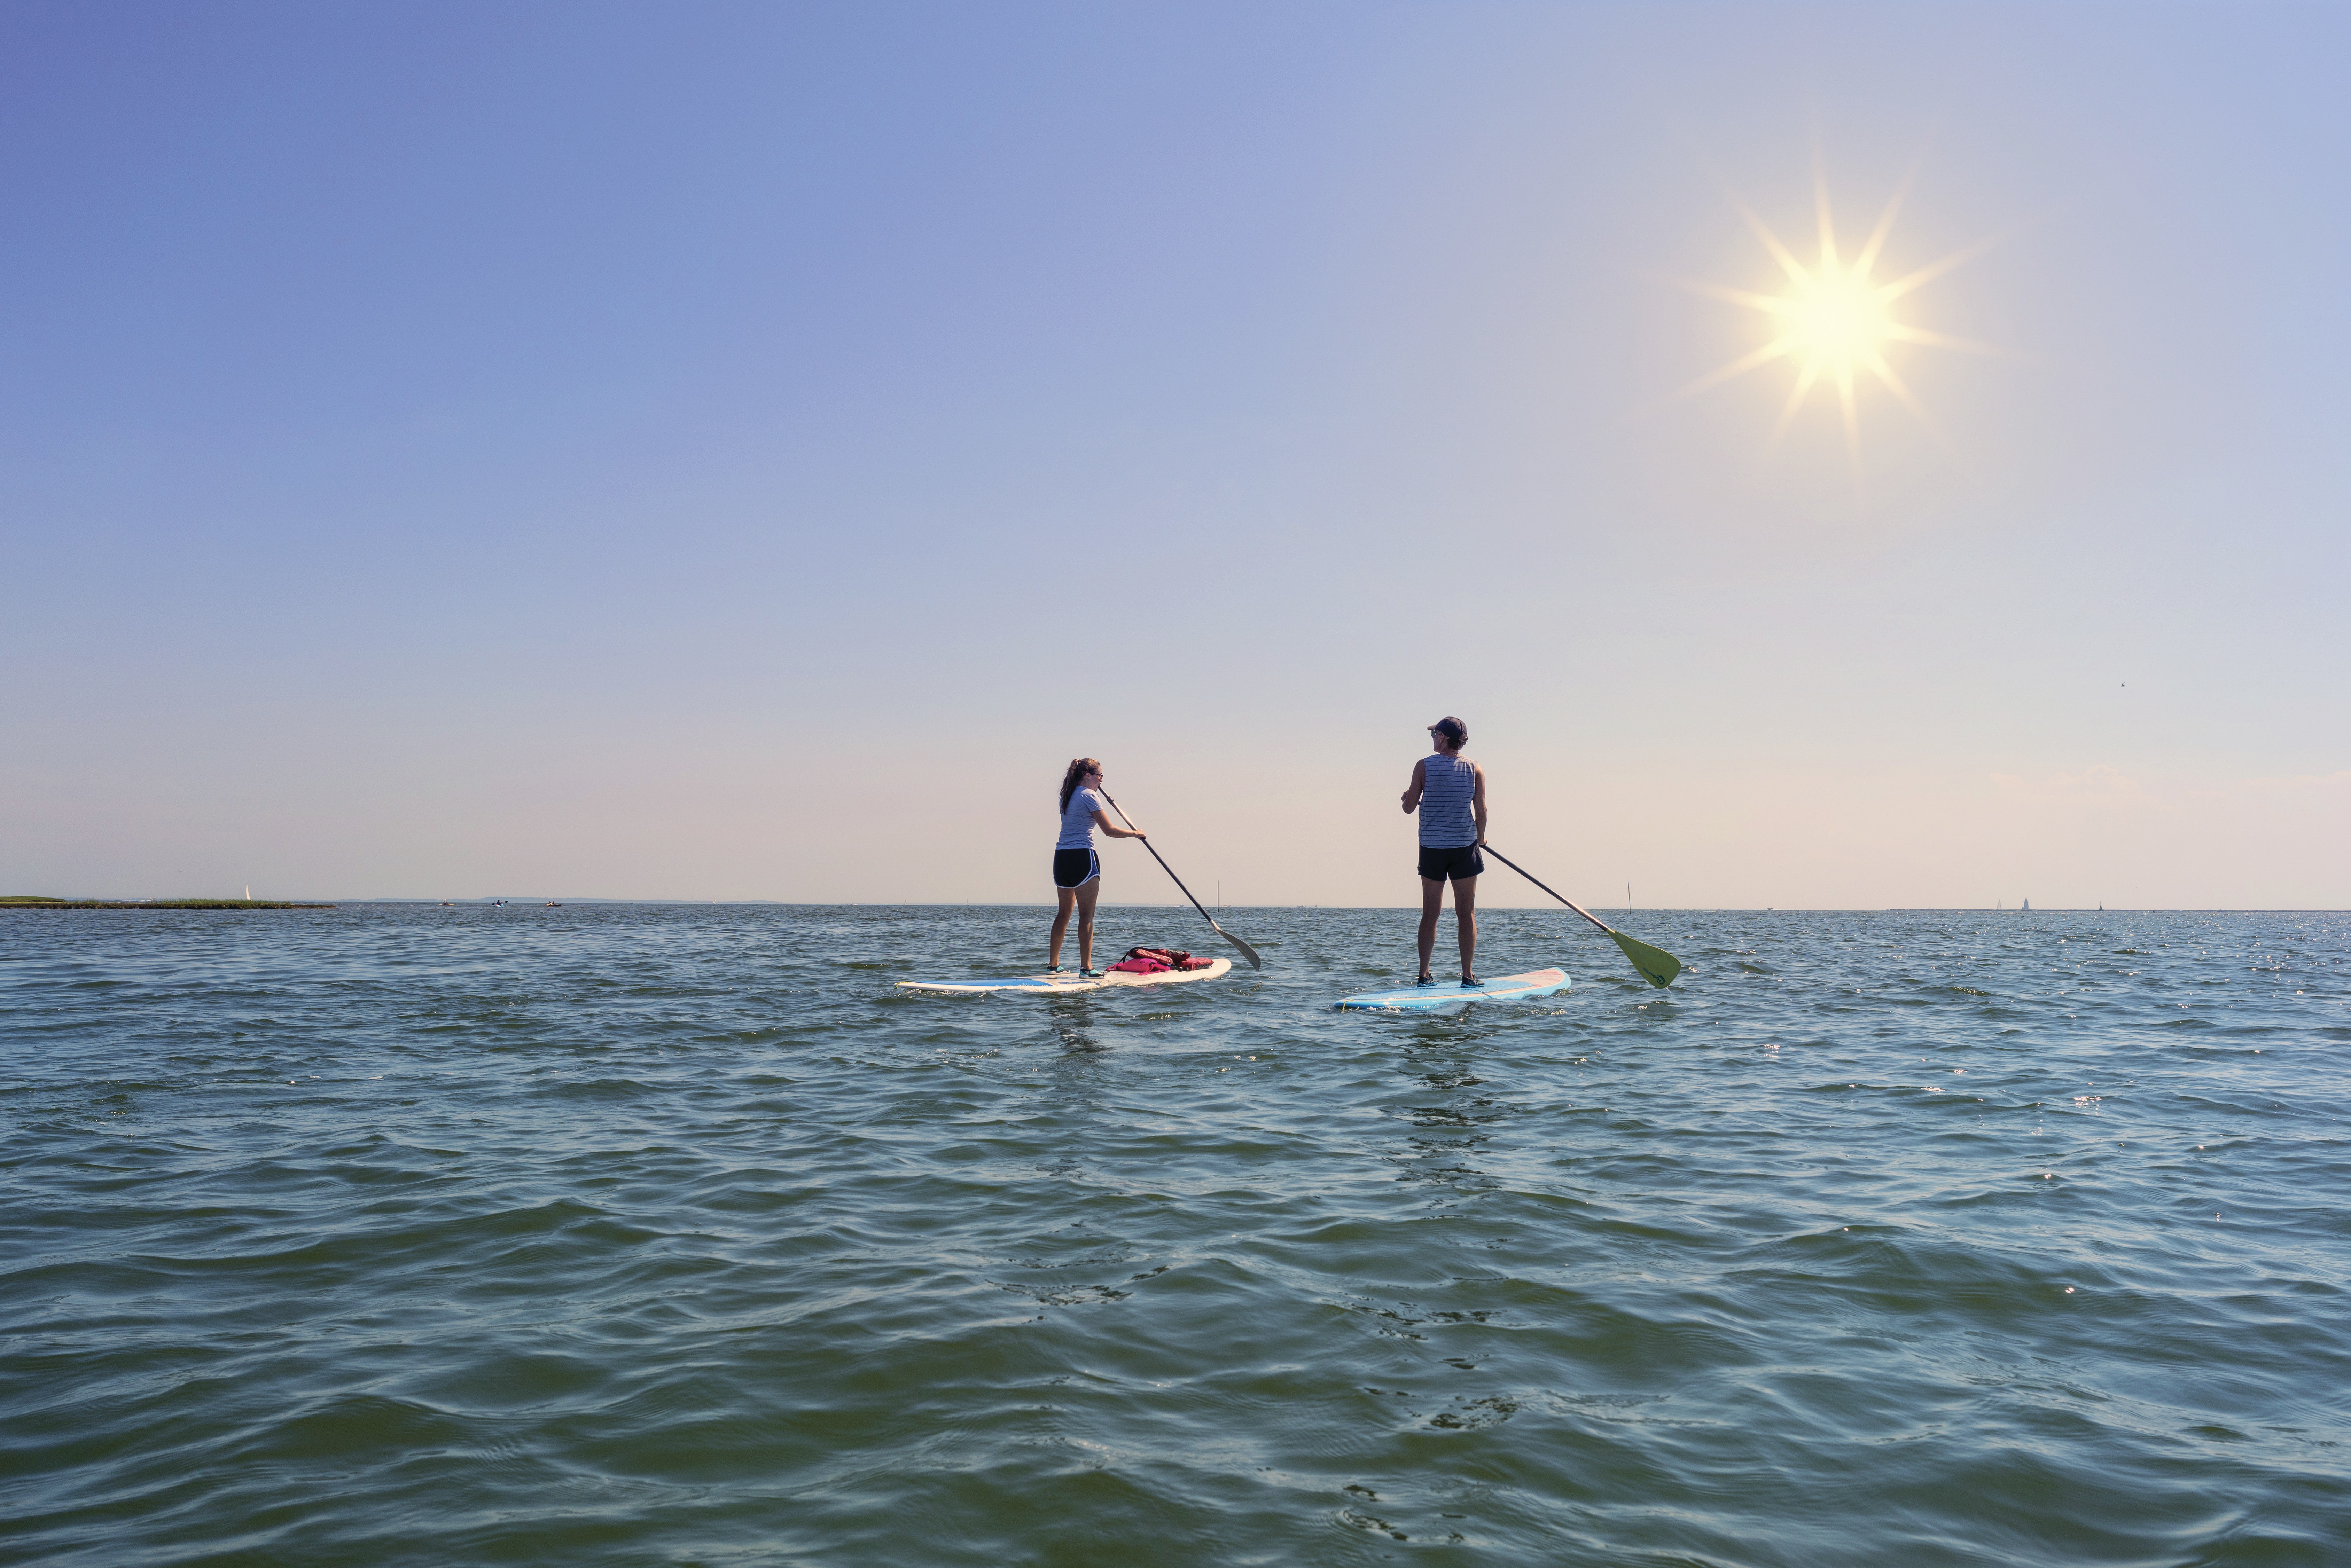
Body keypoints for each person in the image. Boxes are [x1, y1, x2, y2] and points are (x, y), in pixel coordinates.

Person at [1400, 716, 1487, 986]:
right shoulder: (1475, 769)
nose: (1433, 740)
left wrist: (1406, 797)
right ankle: (1468, 975)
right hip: (1464, 847)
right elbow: (1482, 810)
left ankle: (1424, 974)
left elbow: (1409, 807)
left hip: (1433, 848)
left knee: (1430, 913)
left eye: (1434, 735)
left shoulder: (1423, 766)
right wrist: (1481, 839)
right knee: (1466, 913)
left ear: (1442, 738)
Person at [1050, 757, 1147, 976]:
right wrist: (1136, 833)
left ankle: (1053, 965)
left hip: (1061, 857)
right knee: (1087, 915)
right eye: (1100, 776)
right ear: (1088, 776)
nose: (1102, 780)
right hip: (1083, 856)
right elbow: (1109, 830)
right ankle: (1087, 968)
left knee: (1064, 914)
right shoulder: (1090, 796)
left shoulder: (1067, 795)